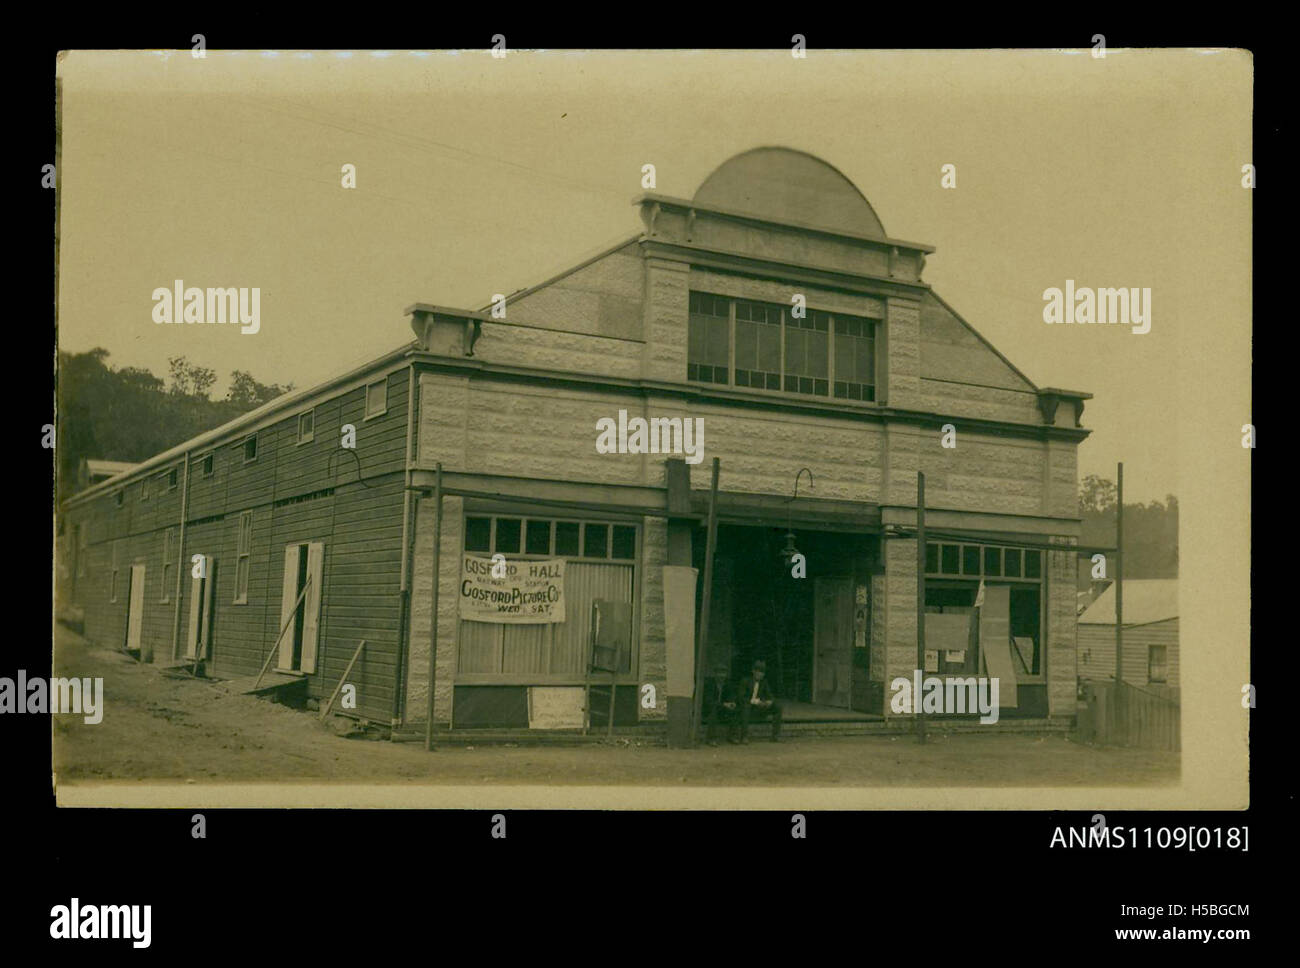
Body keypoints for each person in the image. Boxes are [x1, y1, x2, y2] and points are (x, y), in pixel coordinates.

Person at [736, 659, 783, 743]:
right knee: (746, 707)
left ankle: (775, 735)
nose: (760, 674)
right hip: (747, 708)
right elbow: (741, 697)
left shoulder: (764, 683)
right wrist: (756, 702)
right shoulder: (745, 681)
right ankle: (744, 736)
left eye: (762, 672)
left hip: (758, 709)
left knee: (778, 707)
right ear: (753, 671)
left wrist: (770, 701)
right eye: (757, 671)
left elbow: (770, 695)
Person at [703, 673, 738, 746]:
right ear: (715, 675)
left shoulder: (727, 685)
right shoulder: (710, 685)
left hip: (721, 708)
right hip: (709, 709)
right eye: (719, 674)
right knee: (713, 712)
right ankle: (711, 738)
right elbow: (708, 701)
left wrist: (732, 702)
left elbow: (731, 696)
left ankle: (733, 736)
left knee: (734, 710)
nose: (722, 677)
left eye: (723, 675)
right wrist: (724, 704)